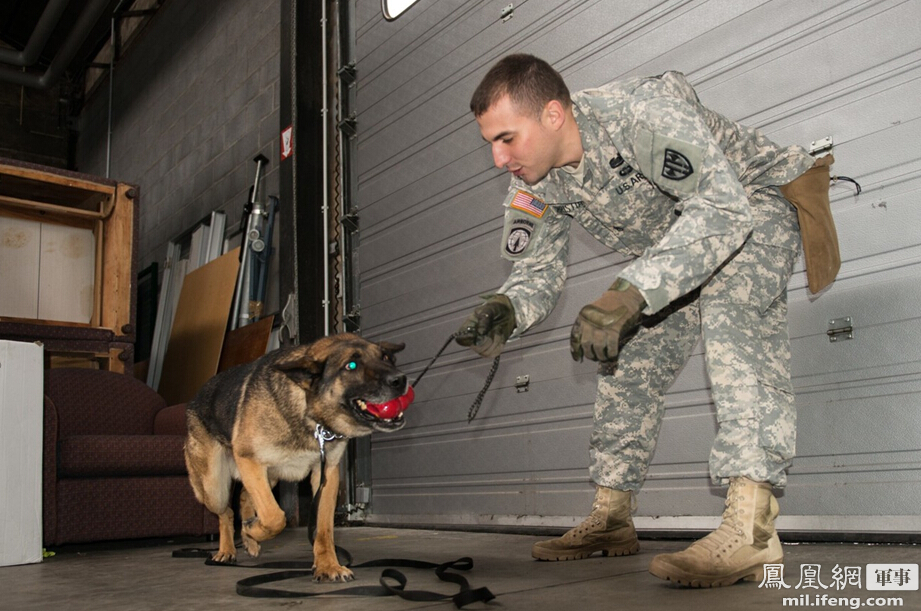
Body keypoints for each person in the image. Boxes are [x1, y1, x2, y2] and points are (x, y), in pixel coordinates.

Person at [455, 54, 835, 588]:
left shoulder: (639, 114)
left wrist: (631, 292)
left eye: (506, 138)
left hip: (750, 204)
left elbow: (722, 210)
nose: (497, 158)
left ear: (553, 115)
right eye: (490, 143)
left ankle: (752, 529)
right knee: (627, 359)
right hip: (676, 246)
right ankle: (611, 518)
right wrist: (508, 308)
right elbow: (536, 274)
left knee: (733, 322)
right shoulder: (532, 182)